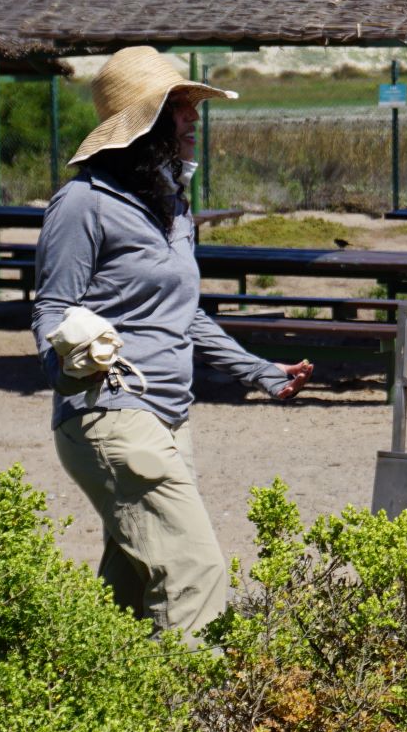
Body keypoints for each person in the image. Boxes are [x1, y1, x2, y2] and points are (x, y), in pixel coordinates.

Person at [32, 47, 314, 642]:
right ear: (144, 124)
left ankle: (96, 710)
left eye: (190, 106)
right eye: (179, 107)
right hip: (112, 414)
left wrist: (257, 371)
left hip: (169, 417)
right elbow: (52, 309)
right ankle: (196, 726)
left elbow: (186, 315)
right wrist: (71, 373)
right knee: (194, 572)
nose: (193, 119)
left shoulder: (171, 205)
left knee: (132, 582)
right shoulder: (84, 203)